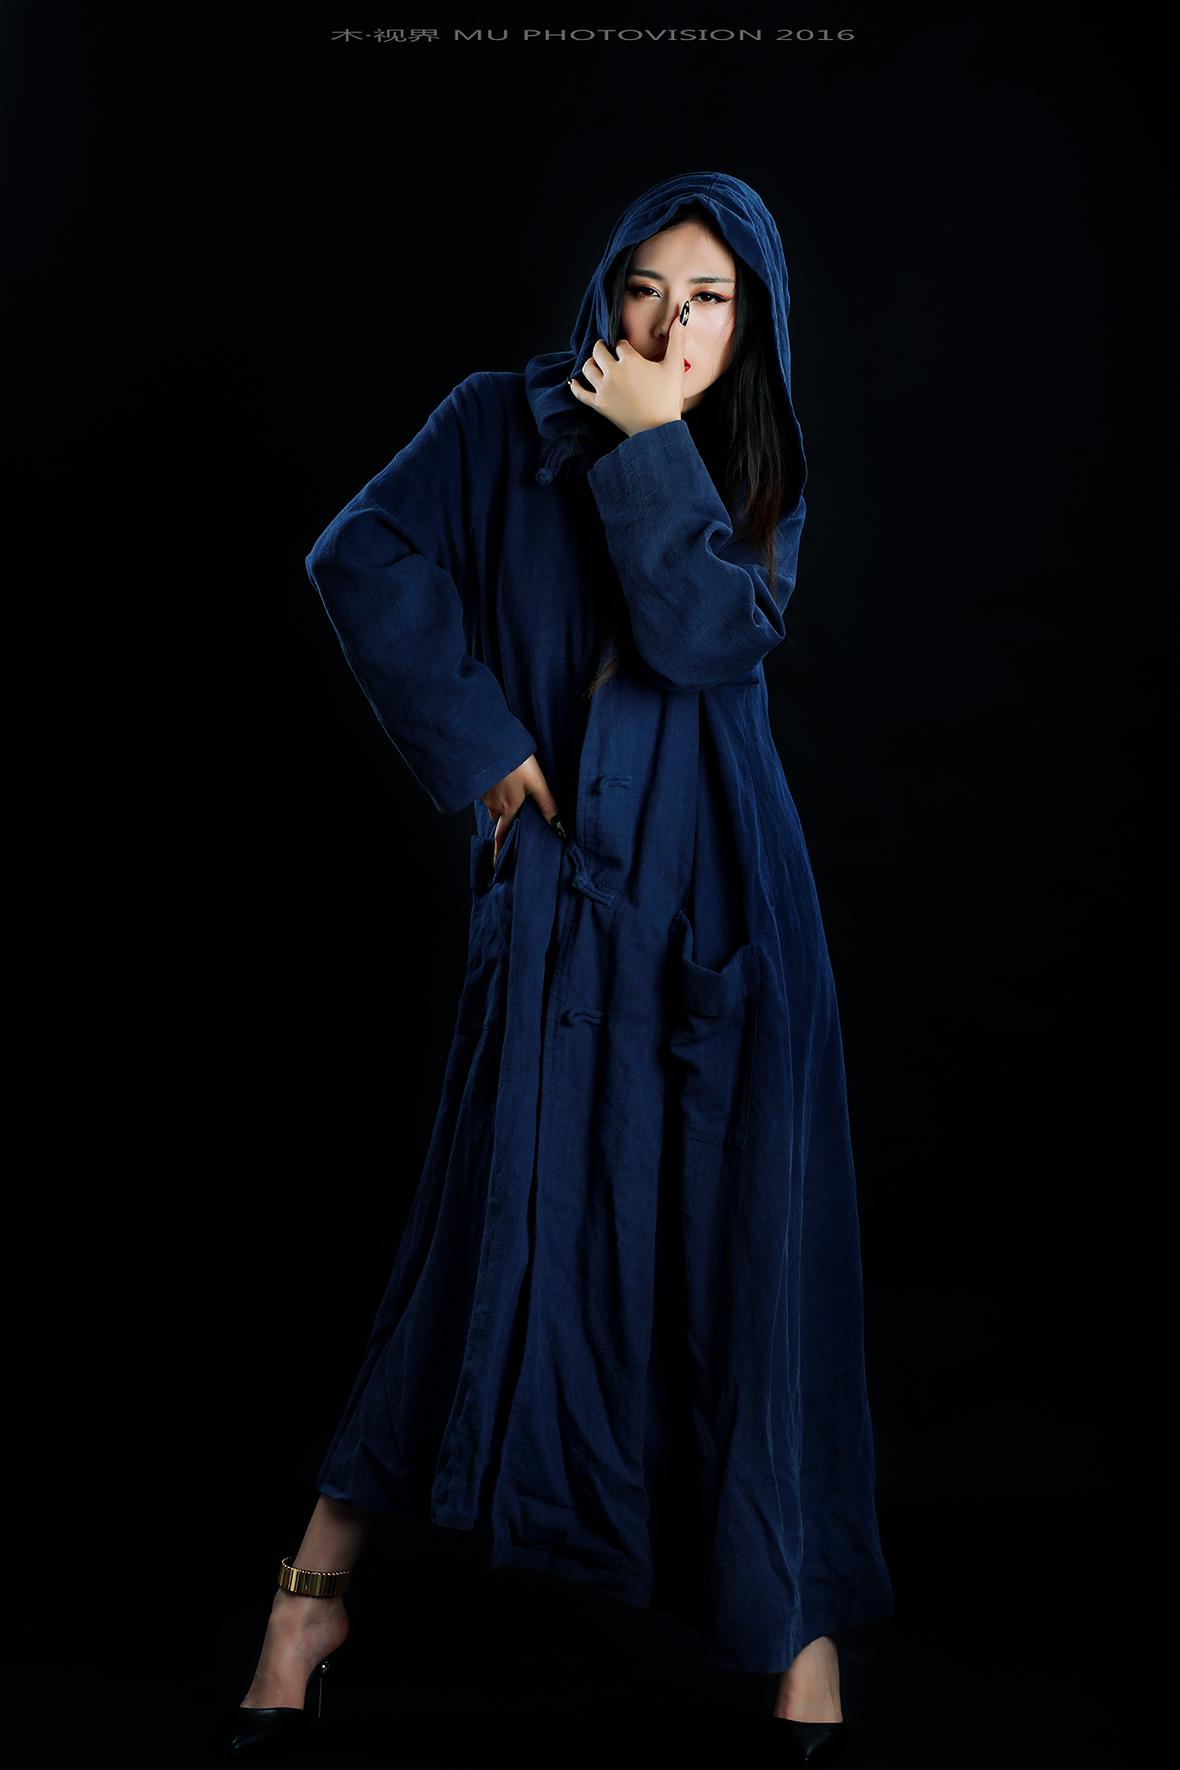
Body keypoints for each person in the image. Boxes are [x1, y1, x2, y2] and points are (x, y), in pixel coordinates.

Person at [231, 170, 895, 1763]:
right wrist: (477, 744)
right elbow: (358, 552)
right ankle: (306, 1604)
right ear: (607, 292)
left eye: (711, 300)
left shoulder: (755, 462)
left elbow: (703, 642)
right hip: (556, 903)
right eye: (648, 288)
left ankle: (801, 1640)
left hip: (727, 912)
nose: (672, 326)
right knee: (473, 1234)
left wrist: (656, 444)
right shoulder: (495, 423)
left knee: (750, 1264)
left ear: (751, 326)